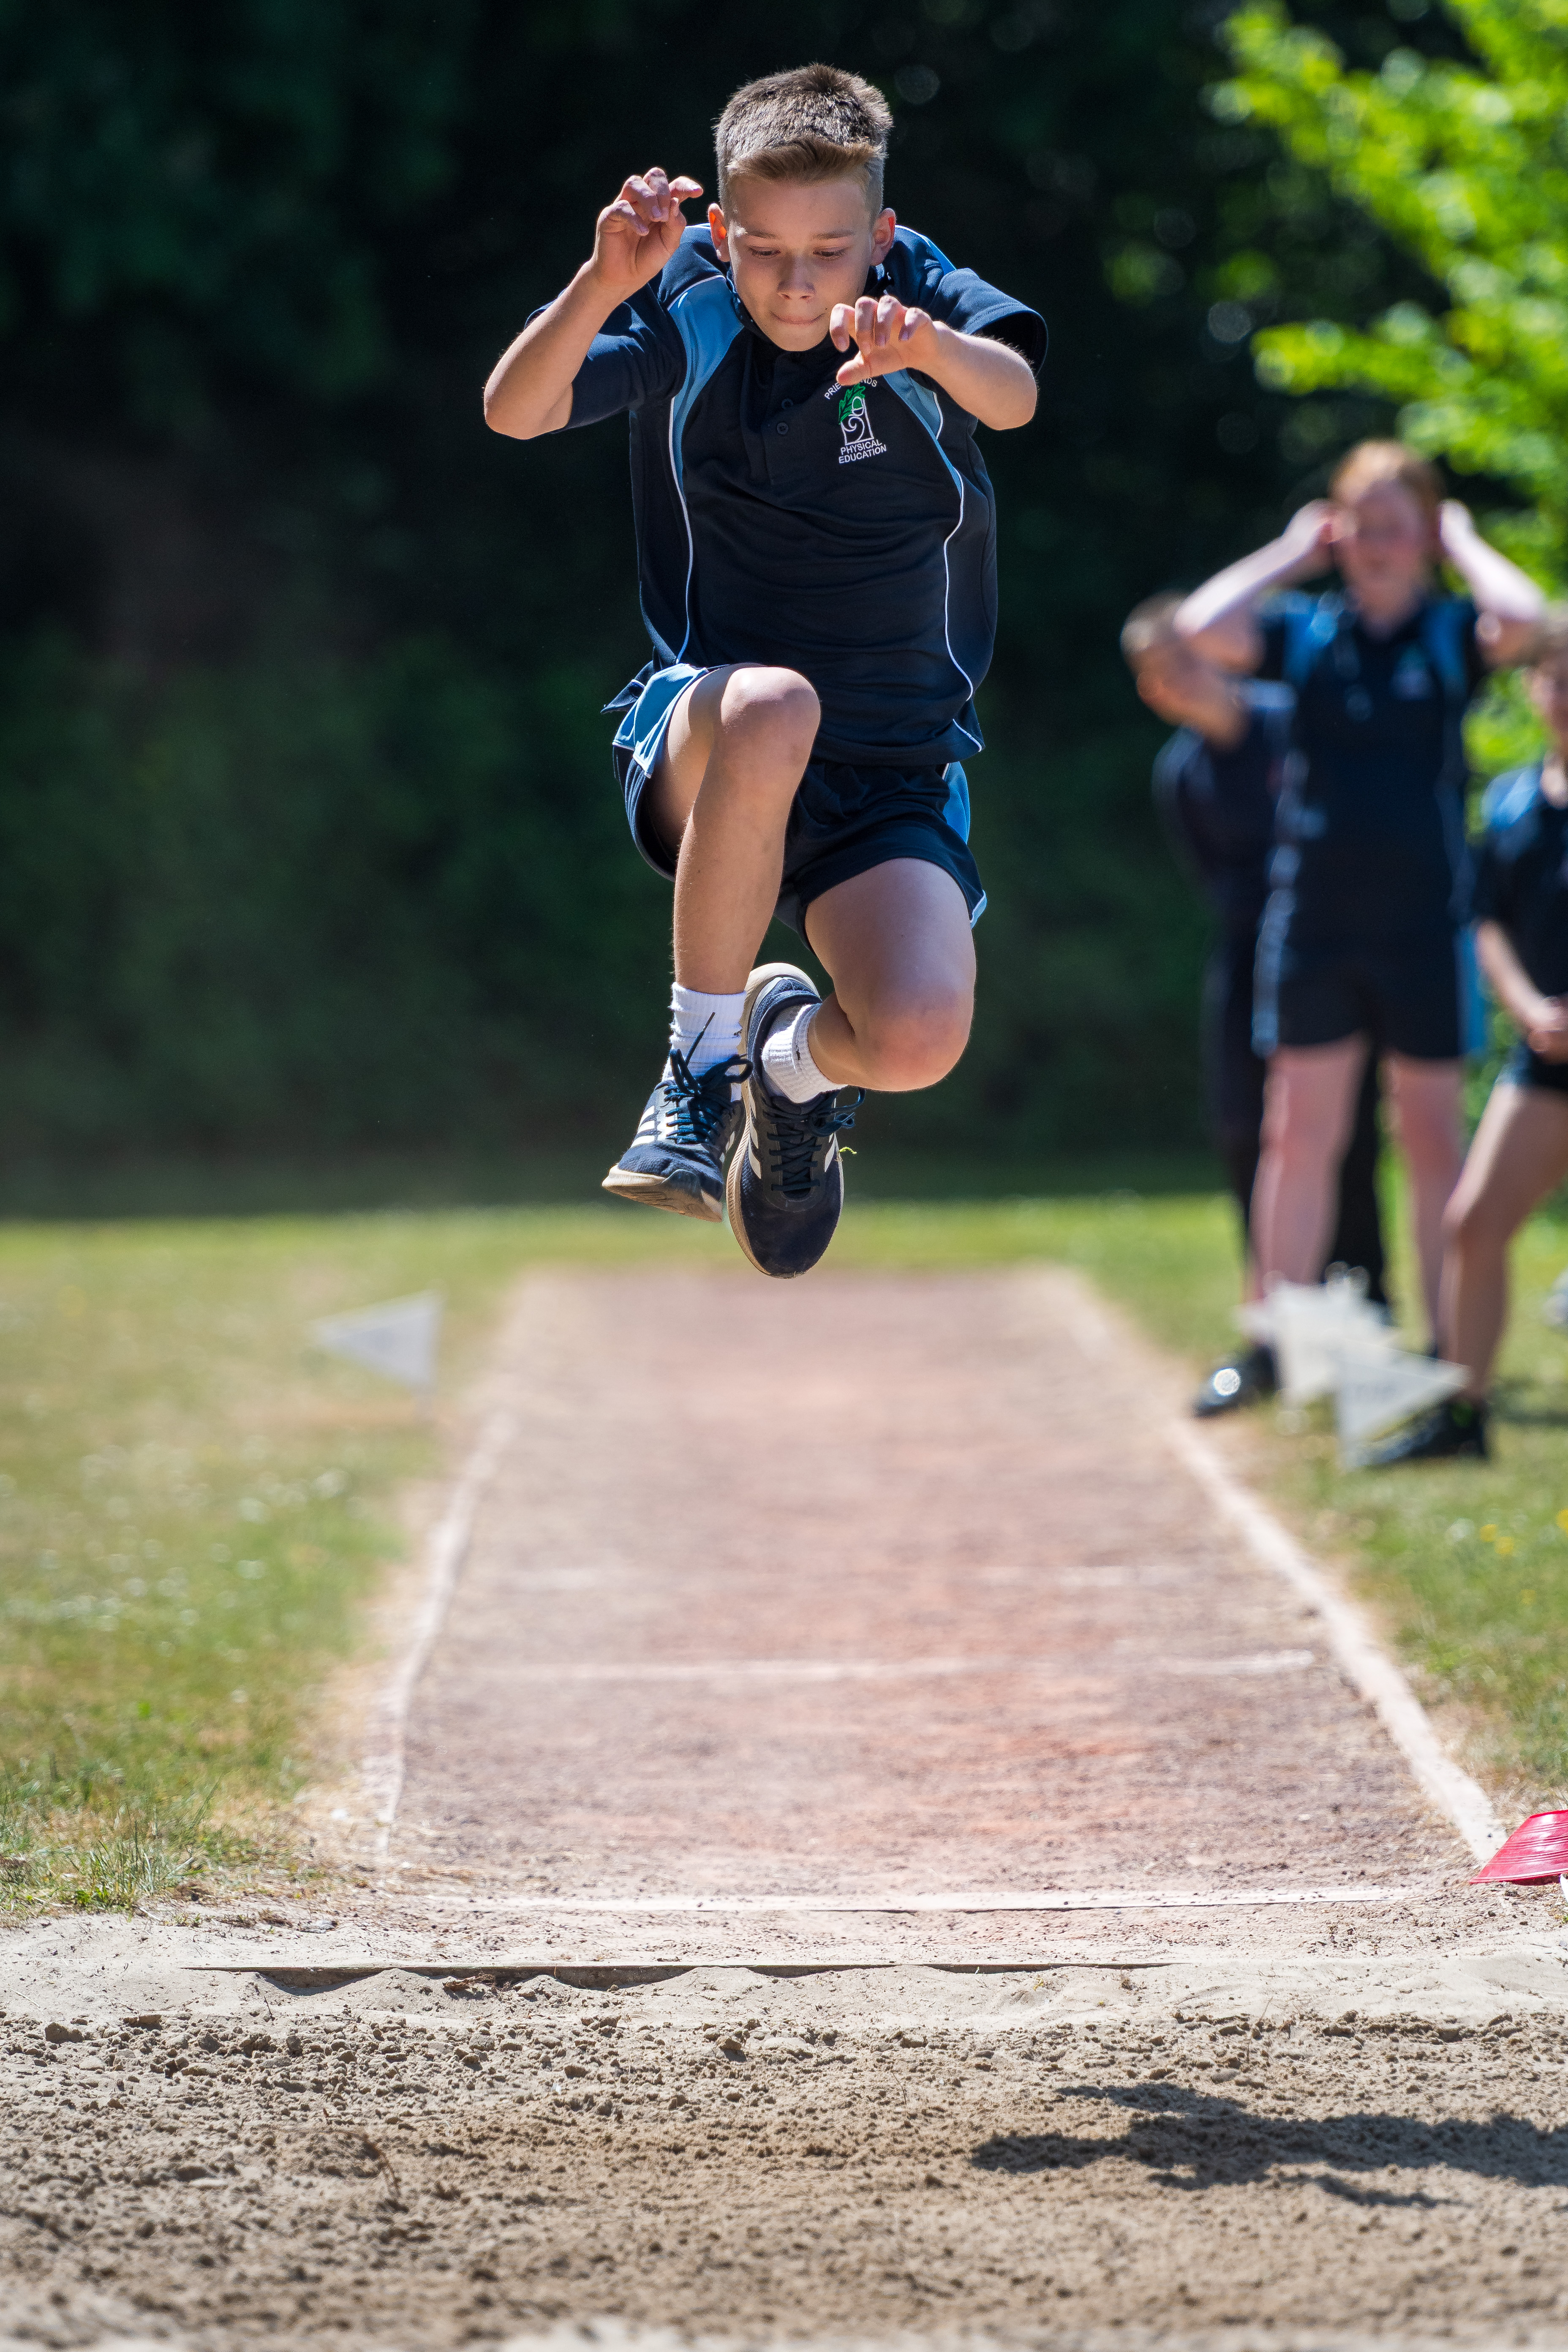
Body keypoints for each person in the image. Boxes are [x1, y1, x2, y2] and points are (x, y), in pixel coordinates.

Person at [482, 65, 1044, 1277]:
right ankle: (695, 1075)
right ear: (724, 233)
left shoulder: (916, 295)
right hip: (717, 732)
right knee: (778, 702)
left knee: (916, 1036)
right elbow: (515, 410)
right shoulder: (686, 303)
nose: (797, 284)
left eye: (830, 253)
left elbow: (1014, 399)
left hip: (890, 766)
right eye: (765, 251)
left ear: (879, 238)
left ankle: (785, 1068)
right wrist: (602, 283)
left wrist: (929, 348)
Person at [1175, 443, 1544, 1347]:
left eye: (1395, 527)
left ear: (1424, 534)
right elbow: (1199, 627)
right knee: (1296, 1136)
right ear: (1337, 532)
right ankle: (1276, 1345)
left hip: (1426, 928)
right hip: (1314, 923)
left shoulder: (1450, 634)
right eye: (1361, 526)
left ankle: (1446, 1352)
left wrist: (1461, 542)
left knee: (1430, 1142)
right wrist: (1292, 552)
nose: (1376, 546)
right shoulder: (1305, 632)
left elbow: (1524, 619)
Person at [1122, 596, 1389, 1416]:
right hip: (1252, 954)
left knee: (1340, 1138)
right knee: (1246, 1131)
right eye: (1155, 674)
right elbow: (1216, 882)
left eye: (1182, 658)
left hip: (1334, 943)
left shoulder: (1291, 721)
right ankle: (1271, 1336)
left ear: (1218, 653)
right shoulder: (1183, 775)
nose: (1174, 682)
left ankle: (1362, 1325)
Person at [1369, 615, 1568, 1463]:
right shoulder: (1514, 802)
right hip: (1546, 1058)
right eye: (1557, 680)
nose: (1567, 697)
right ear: (1532, 689)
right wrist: (1527, 1006)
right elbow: (1485, 920)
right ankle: (1463, 1416)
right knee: (1473, 1223)